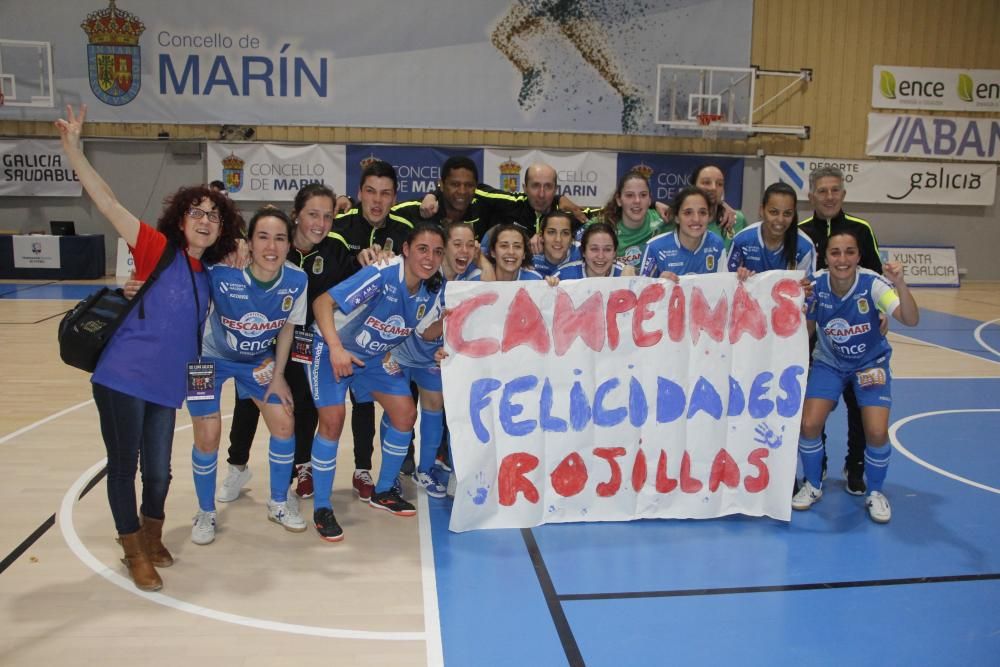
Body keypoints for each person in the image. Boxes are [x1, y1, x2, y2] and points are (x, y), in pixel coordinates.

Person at [55, 104, 242, 590]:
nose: (205, 220)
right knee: (125, 466)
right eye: (197, 212)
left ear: (222, 229)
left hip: (165, 387)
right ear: (181, 219)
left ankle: (153, 532)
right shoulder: (156, 249)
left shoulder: (213, 276)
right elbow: (109, 201)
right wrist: (72, 148)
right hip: (122, 376)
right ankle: (132, 548)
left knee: (159, 472)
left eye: (214, 216)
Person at [220, 184, 362, 504]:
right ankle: (237, 465)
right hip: (259, 335)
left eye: (328, 216)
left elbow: (355, 283)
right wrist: (237, 248)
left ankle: (302, 464)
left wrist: (369, 259)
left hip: (304, 337)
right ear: (296, 214)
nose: (320, 223)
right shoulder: (272, 241)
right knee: (249, 401)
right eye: (313, 214)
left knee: (305, 398)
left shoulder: (336, 248)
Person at [308, 224, 446, 540]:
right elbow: (322, 304)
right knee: (332, 421)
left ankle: (383, 491)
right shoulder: (383, 273)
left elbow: (423, 332)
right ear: (407, 249)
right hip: (332, 348)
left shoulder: (431, 289)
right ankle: (322, 507)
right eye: (423, 249)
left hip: (373, 358)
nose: (430, 257)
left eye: (437, 251)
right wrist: (335, 347)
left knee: (405, 414)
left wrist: (444, 338)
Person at [188, 207, 309, 545]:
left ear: (289, 245)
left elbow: (286, 328)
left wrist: (279, 375)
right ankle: (205, 511)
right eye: (263, 237)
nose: (272, 247)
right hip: (207, 359)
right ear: (249, 243)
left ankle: (279, 503)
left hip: (257, 361)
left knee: (285, 421)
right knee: (208, 435)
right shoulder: (223, 273)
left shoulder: (297, 280)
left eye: (280, 238)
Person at [793, 229, 919, 523]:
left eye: (850, 252)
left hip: (870, 364)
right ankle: (812, 485)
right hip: (829, 363)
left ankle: (875, 492)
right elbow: (808, 332)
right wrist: (801, 306)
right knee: (809, 424)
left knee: (876, 432)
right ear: (826, 257)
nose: (842, 259)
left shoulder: (873, 285)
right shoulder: (816, 284)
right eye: (835, 252)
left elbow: (911, 319)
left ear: (859, 256)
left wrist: (900, 283)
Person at [330, 161, 416, 498]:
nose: (377, 201)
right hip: (343, 333)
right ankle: (359, 468)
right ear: (358, 193)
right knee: (345, 405)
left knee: (398, 403)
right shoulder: (339, 228)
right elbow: (325, 280)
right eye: (370, 192)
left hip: (388, 336)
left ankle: (395, 466)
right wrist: (357, 264)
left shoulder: (406, 229)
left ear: (395, 197)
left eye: (385, 194)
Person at [391, 221, 493, 497]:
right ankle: (391, 473)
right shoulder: (426, 272)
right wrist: (447, 323)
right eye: (456, 244)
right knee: (398, 414)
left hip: (431, 359)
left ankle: (425, 470)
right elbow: (425, 333)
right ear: (443, 248)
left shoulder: (468, 278)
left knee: (434, 410)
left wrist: (481, 256)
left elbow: (493, 293)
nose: (463, 250)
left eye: (470, 245)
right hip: (401, 352)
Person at [798, 165, 883, 495]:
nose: (829, 196)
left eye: (835, 190)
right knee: (813, 407)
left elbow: (878, 278)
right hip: (814, 337)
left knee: (859, 405)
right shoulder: (801, 232)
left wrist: (882, 311)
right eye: (822, 190)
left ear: (843, 194)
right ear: (812, 196)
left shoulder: (861, 229)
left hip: (860, 340)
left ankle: (856, 465)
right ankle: (815, 468)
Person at [726, 182, 816, 274]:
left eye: (787, 213)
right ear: (761, 210)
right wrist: (738, 277)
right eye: (774, 212)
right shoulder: (741, 240)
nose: (780, 219)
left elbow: (808, 286)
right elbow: (727, 282)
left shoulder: (805, 247)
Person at [585, 170, 667, 271]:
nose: (637, 201)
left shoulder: (664, 220)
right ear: (619, 200)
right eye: (629, 195)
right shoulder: (601, 224)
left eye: (643, 195)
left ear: (650, 199)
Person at [639, 186, 726, 280]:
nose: (696, 219)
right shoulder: (654, 248)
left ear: (709, 216)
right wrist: (658, 284)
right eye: (688, 213)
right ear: (676, 217)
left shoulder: (717, 244)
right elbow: (640, 291)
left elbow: (725, 286)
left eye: (702, 212)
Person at [689, 163, 747, 251]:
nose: (713, 188)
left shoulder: (737, 219)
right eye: (706, 182)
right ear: (693, 187)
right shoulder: (676, 218)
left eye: (719, 184)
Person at [550, 222, 634, 280]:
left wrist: (632, 283)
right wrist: (549, 285)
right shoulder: (563, 275)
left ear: (614, 253)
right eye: (594, 249)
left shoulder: (624, 275)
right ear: (583, 252)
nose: (600, 256)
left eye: (607, 249)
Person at [531, 210, 581, 276]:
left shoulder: (582, 254)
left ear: (572, 239)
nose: (558, 239)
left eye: (565, 233)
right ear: (541, 236)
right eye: (551, 232)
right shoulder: (529, 257)